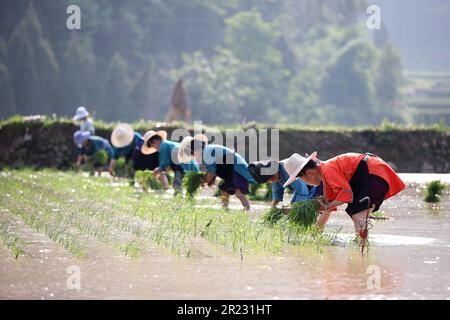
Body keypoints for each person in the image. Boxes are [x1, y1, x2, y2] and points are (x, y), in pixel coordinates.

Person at [282, 152, 406, 238]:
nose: (304, 183)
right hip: (367, 175)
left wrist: (326, 206)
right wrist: (317, 227)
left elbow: (346, 195)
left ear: (309, 173)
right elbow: (329, 205)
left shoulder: (328, 169)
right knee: (356, 213)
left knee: (358, 215)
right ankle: (361, 246)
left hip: (372, 172)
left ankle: (361, 248)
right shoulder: (325, 178)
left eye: (301, 179)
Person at [178, 134, 255, 210]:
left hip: (235, 169)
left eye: (194, 153)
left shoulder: (206, 152)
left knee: (238, 192)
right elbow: (214, 169)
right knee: (225, 190)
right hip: (228, 171)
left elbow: (212, 171)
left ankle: (247, 209)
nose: (195, 156)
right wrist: (207, 180)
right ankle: (225, 209)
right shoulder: (206, 151)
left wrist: (205, 180)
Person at [248, 158, 321, 207]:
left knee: (310, 209)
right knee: (293, 206)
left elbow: (302, 191)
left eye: (272, 178)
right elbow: (277, 191)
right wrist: (274, 208)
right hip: (307, 187)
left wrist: (296, 209)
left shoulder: (287, 169)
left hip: (316, 182)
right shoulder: (276, 175)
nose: (273, 181)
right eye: (269, 180)